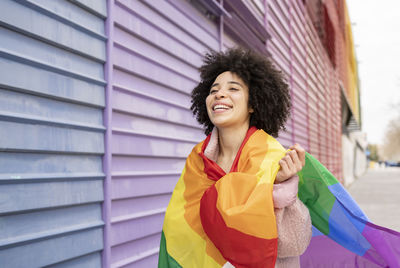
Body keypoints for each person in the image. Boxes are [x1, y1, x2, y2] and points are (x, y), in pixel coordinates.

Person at [159, 47, 312, 268]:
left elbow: (295, 243)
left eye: (233, 88)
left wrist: (279, 189)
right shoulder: (197, 161)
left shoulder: (273, 158)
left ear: (253, 104)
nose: (220, 94)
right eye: (214, 90)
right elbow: (177, 228)